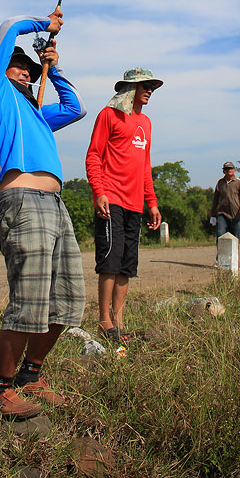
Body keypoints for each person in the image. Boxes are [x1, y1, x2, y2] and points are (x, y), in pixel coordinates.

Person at [0, 8, 86, 419]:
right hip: (20, 202)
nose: (24, 74)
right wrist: (45, 25)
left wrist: (53, 70)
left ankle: (31, 375)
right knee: (30, 299)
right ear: (2, 71)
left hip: (56, 207)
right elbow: (7, 27)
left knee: (68, 300)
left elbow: (75, 108)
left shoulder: (37, 113)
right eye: (18, 68)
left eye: (28, 70)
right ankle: (1, 390)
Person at [85, 67, 163, 342]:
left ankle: (118, 322)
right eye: (145, 85)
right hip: (112, 199)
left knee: (128, 264)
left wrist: (151, 202)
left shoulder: (147, 123)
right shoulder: (109, 115)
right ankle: (104, 321)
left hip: (135, 204)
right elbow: (94, 156)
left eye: (152, 86)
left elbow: (145, 167)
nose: (150, 90)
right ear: (130, 88)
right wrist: (99, 192)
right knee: (110, 260)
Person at [209, 161, 240, 244]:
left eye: (230, 168)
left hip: (236, 215)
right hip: (222, 214)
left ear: (234, 170)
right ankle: (220, 256)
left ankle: (234, 257)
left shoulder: (239, 182)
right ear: (223, 171)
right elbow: (215, 198)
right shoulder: (220, 183)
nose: (228, 170)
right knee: (220, 236)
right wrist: (212, 211)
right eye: (226, 168)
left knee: (234, 238)